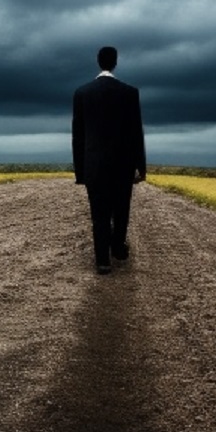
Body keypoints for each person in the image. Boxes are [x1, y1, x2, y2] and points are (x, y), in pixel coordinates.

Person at [72, 46, 147, 275]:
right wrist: (141, 167)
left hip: (94, 165)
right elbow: (136, 133)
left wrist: (80, 171)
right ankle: (117, 245)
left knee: (99, 213)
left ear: (98, 62)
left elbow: (78, 136)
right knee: (121, 209)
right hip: (123, 164)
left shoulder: (82, 93)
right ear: (115, 62)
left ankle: (102, 261)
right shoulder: (130, 92)